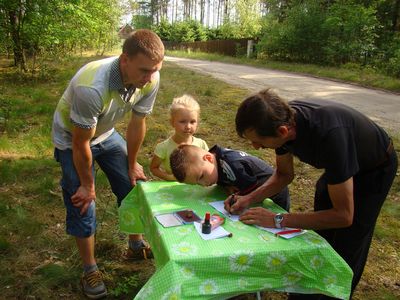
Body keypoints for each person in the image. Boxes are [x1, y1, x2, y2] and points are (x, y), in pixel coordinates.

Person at [229, 88, 398, 299]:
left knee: (349, 240)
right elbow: (283, 175)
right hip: (338, 167)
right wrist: (248, 198)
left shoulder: (330, 136)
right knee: (320, 237)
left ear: (282, 131)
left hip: (373, 169)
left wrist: (278, 220)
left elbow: (343, 216)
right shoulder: (281, 122)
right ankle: (307, 290)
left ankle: (336, 293)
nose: (255, 146)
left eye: (258, 141)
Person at [51, 29, 164, 299]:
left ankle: (135, 246)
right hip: (72, 139)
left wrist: (132, 163)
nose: (149, 78)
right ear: (124, 59)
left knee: (133, 185)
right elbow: (81, 144)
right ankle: (89, 268)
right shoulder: (91, 87)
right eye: (144, 70)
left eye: (155, 70)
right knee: (83, 202)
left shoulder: (151, 78)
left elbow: (138, 122)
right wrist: (88, 185)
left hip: (106, 133)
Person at [170, 144, 290, 210]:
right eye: (197, 183)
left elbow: (250, 185)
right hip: (257, 189)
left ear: (208, 158)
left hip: (276, 190)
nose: (203, 184)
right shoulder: (216, 164)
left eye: (201, 176)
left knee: (278, 217)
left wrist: (236, 197)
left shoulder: (231, 163)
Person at [150, 95, 208, 181]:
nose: (188, 126)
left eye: (192, 122)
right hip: (173, 190)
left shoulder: (201, 145)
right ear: (172, 122)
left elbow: (210, 165)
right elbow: (154, 168)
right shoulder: (164, 147)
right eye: (182, 121)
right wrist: (169, 177)